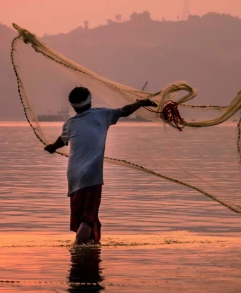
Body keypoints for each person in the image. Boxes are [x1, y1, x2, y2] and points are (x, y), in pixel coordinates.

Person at [44, 86, 157, 245]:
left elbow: (61, 141)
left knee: (90, 218)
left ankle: (93, 250)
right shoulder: (102, 114)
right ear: (90, 100)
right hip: (91, 176)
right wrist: (142, 103)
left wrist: (52, 147)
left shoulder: (69, 123)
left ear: (73, 105)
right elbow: (125, 111)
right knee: (87, 219)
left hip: (73, 176)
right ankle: (77, 250)